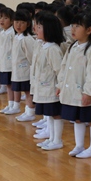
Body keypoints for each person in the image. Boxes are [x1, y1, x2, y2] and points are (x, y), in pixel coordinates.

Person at [57, 10, 91, 158]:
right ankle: (79, 145)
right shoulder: (72, 47)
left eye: (78, 26)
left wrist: (88, 92)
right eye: (73, 25)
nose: (73, 29)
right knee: (77, 118)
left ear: (89, 30)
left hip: (85, 93)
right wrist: (60, 85)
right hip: (73, 92)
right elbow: (64, 67)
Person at [32, 12, 66, 150]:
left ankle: (57, 140)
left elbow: (60, 71)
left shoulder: (53, 49)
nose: (36, 29)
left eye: (40, 27)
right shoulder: (43, 46)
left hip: (52, 89)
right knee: (50, 115)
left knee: (56, 115)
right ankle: (51, 138)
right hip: (44, 88)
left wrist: (60, 86)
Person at [11, 9, 37, 120]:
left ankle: (30, 112)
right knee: (24, 91)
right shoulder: (16, 37)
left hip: (26, 72)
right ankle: (27, 111)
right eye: (16, 22)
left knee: (28, 92)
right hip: (18, 71)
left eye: (22, 22)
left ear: (28, 24)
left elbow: (31, 57)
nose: (18, 25)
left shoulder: (27, 39)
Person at [0, 7, 17, 114]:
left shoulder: (12, 33)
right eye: (0, 17)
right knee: (8, 85)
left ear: (12, 20)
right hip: (4, 64)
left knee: (14, 86)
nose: (2, 20)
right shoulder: (2, 33)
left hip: (11, 65)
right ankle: (10, 104)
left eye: (5, 18)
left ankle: (16, 105)